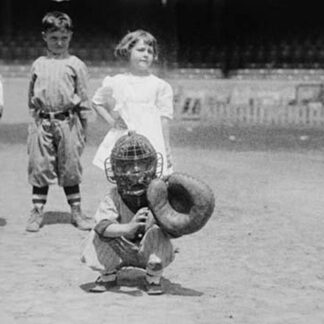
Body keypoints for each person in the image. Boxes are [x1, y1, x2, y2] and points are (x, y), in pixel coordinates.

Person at [81, 131, 175, 295]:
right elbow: (102, 225)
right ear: (118, 169)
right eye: (129, 165)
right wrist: (128, 228)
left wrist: (175, 223)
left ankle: (153, 277)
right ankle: (108, 274)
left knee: (158, 233)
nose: (136, 170)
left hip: (147, 248)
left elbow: (174, 224)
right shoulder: (114, 196)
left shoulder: (159, 193)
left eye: (142, 164)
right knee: (98, 233)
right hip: (120, 248)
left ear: (151, 166)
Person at [26, 11, 93, 232]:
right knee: (39, 166)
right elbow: (31, 97)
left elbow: (83, 97)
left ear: (70, 36)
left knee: (70, 166)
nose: (59, 42)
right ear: (44, 36)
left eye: (64, 38)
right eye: (54, 38)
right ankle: (37, 213)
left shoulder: (76, 64)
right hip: (42, 122)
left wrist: (83, 128)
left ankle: (76, 212)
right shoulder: (38, 64)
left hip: (68, 123)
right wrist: (36, 120)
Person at [92, 29, 174, 177]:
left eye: (150, 51)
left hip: (152, 139)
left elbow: (164, 119)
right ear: (128, 51)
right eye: (141, 50)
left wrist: (166, 147)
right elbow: (97, 102)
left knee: (152, 181)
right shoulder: (117, 81)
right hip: (126, 140)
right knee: (126, 180)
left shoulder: (160, 85)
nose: (146, 54)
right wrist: (112, 122)